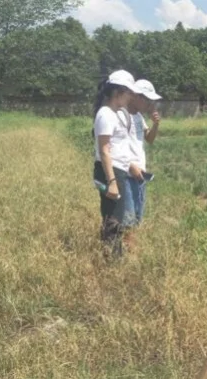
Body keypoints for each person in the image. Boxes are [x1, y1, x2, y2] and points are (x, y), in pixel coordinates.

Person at [92, 69, 141, 259]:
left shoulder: (115, 113)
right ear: (118, 92)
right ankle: (110, 261)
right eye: (129, 93)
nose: (130, 97)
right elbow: (104, 150)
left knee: (118, 219)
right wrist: (112, 180)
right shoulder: (105, 114)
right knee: (113, 220)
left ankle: (113, 258)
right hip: (110, 172)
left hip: (118, 171)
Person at [121, 79, 162, 250]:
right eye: (147, 99)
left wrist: (156, 124)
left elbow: (149, 139)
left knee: (137, 217)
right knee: (128, 219)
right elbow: (115, 146)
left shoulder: (138, 117)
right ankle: (129, 255)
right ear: (136, 96)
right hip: (127, 174)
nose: (149, 104)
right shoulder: (121, 115)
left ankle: (130, 251)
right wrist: (130, 165)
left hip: (140, 175)